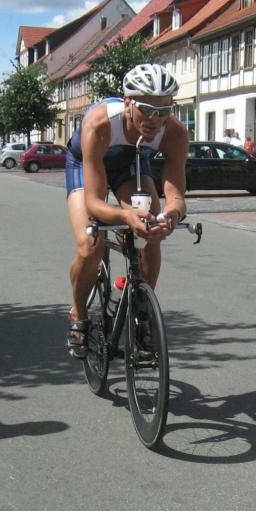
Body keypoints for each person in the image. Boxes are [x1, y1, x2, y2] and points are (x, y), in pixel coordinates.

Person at [65, 63, 188, 359]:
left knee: (152, 232)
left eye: (163, 111)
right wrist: (125, 216)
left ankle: (142, 313)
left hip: (129, 164)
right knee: (90, 245)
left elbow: (176, 197)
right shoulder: (100, 123)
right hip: (85, 163)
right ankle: (79, 313)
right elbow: (95, 202)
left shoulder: (174, 133)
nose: (154, 119)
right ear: (128, 101)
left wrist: (170, 217)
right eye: (146, 109)